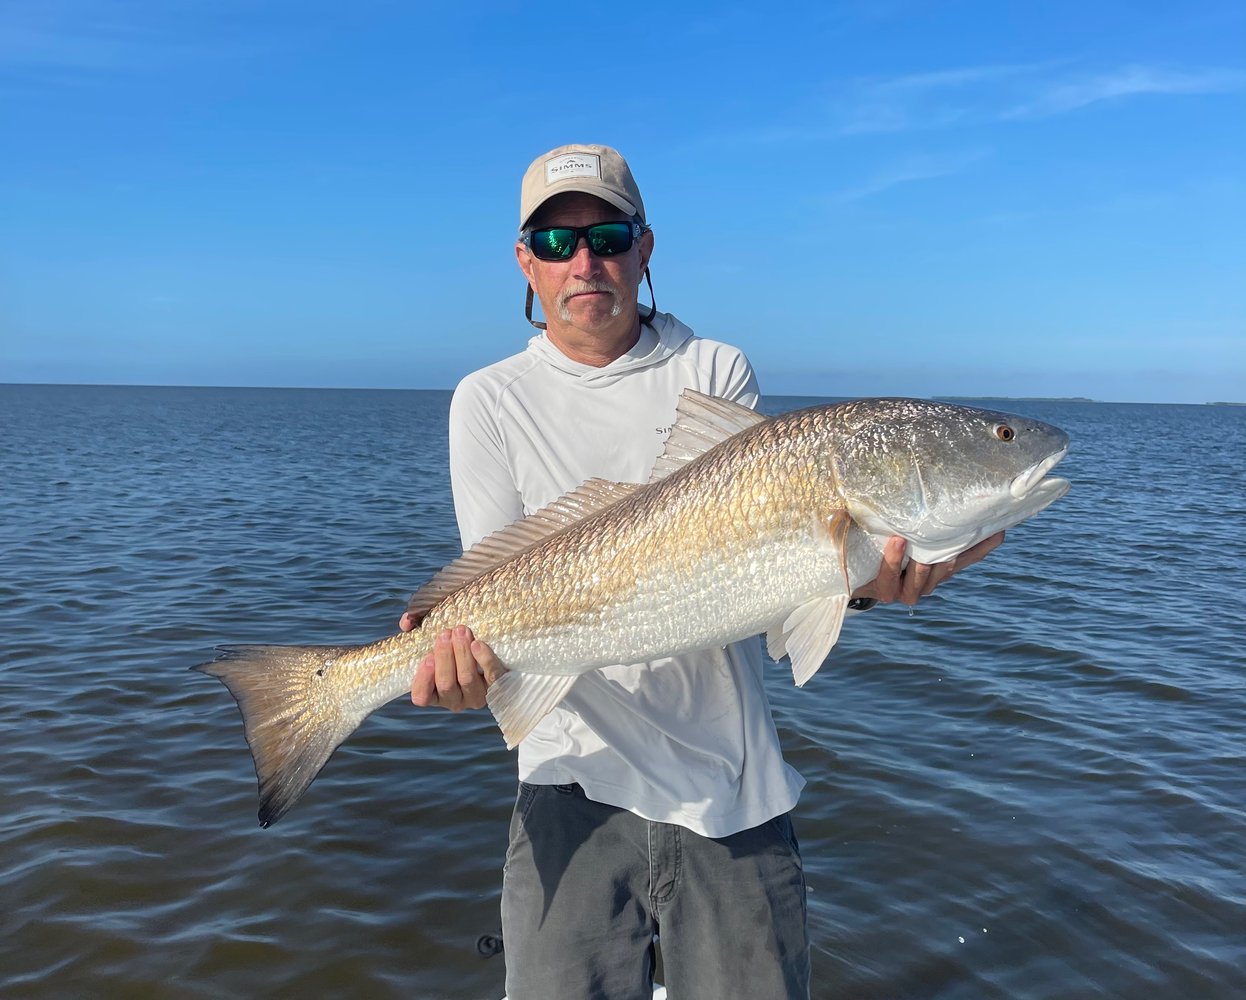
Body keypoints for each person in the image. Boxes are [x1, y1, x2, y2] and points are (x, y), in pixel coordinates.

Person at [400, 143, 1003, 1000]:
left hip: (731, 794)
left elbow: (763, 586)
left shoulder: (712, 371)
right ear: (524, 261)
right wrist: (467, 670)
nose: (587, 262)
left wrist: (862, 589)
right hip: (568, 784)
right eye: (559, 241)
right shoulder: (487, 401)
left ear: (645, 249)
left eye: (608, 235)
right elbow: (496, 603)